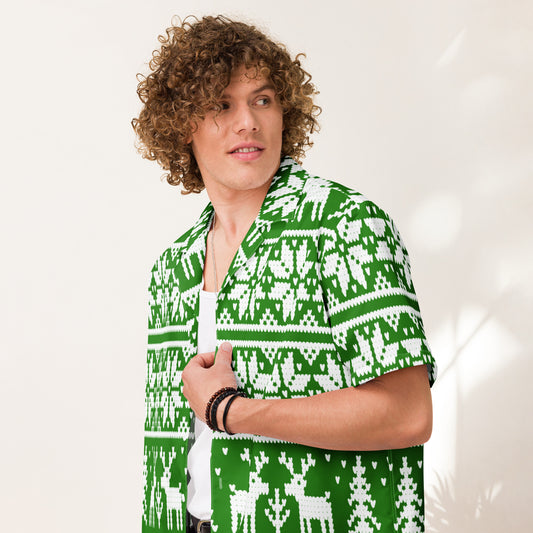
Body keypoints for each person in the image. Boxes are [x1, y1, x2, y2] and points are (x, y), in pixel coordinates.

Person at [132, 14, 436, 533]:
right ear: (182, 125)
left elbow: (408, 414)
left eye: (263, 100)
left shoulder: (341, 226)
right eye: (221, 105)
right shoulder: (172, 267)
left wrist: (230, 410)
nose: (247, 122)